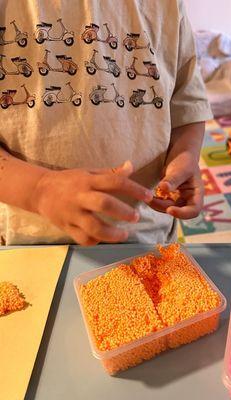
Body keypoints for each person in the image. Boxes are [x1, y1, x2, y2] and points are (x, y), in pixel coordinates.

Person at [0, 0, 212, 245]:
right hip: (31, 241)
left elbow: (186, 102)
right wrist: (40, 189)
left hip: (147, 234)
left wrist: (184, 154)